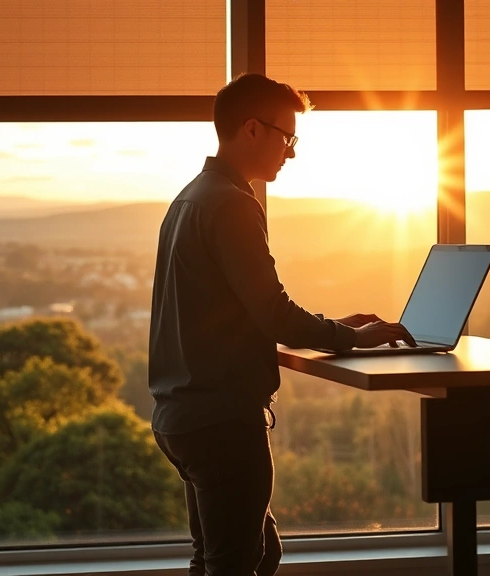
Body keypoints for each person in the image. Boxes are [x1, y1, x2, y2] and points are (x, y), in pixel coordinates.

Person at [149, 73, 416, 576]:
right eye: (287, 137)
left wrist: (333, 326)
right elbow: (272, 312)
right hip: (220, 422)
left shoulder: (189, 198)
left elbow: (241, 310)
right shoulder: (231, 203)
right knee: (233, 564)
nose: (291, 153)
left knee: (241, 555)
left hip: (180, 415)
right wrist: (350, 338)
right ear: (252, 129)